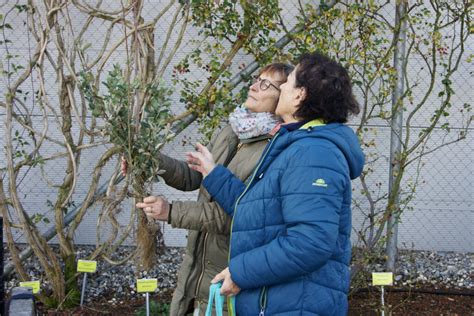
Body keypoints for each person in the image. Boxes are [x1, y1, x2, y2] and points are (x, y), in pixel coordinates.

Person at [187, 52, 365, 315]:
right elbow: (258, 211)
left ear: (300, 95)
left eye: (289, 81)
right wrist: (213, 174)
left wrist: (241, 272)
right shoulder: (295, 144)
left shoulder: (314, 153)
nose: (281, 86)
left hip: (294, 306)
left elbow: (310, 242)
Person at [125, 62, 294, 315]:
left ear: (283, 96)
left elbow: (235, 216)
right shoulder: (234, 130)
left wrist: (170, 211)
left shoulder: (274, 149)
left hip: (227, 278)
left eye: (265, 83)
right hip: (195, 272)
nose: (253, 86)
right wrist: (150, 160)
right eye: (256, 78)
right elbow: (194, 178)